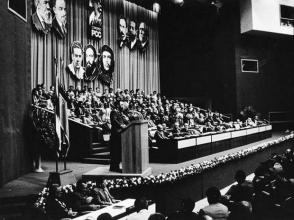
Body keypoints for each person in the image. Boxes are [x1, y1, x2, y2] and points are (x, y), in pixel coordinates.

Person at [109, 101, 129, 172]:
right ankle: (114, 167)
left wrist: (126, 120)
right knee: (115, 151)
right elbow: (114, 121)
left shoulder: (121, 113)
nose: (123, 106)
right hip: (115, 134)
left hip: (120, 134)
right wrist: (121, 125)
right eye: (121, 105)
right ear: (118, 105)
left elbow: (125, 122)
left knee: (118, 151)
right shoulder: (114, 112)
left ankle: (116, 166)